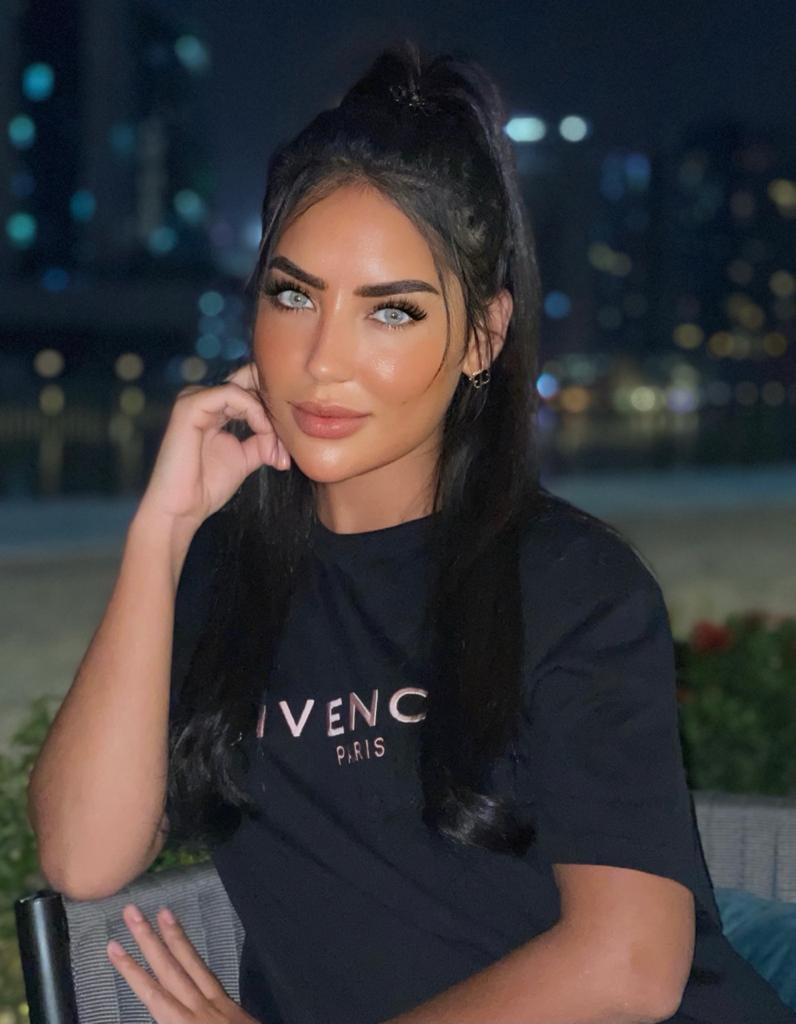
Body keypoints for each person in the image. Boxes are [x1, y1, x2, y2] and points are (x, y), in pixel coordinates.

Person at [27, 38, 796, 1024]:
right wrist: (160, 532)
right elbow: (82, 856)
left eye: (390, 312)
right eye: (294, 294)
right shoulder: (221, 572)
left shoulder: (573, 583)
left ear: (482, 336)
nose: (322, 359)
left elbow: (630, 963)